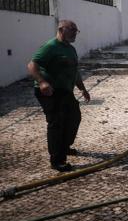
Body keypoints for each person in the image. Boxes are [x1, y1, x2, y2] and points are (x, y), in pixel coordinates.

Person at [27, 20, 90, 172]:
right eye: (72, 29)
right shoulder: (50, 47)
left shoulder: (71, 49)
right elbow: (31, 65)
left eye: (76, 30)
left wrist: (82, 89)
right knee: (57, 122)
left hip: (64, 91)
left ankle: (64, 146)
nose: (75, 32)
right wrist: (42, 82)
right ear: (61, 30)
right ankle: (57, 160)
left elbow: (74, 72)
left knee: (74, 116)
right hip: (49, 91)